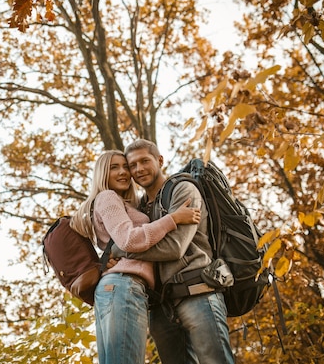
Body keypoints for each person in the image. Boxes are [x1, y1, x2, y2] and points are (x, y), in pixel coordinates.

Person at [70, 150, 201, 364]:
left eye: (125, 167)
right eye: (114, 167)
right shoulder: (107, 197)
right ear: (102, 173)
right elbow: (129, 240)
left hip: (121, 289)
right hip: (123, 287)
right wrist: (173, 218)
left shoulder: (122, 203)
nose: (123, 172)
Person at [120, 139, 234, 364]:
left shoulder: (182, 189)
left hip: (197, 292)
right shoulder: (141, 208)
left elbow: (175, 247)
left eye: (145, 161)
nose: (139, 169)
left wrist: (125, 250)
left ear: (159, 160)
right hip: (162, 306)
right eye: (133, 165)